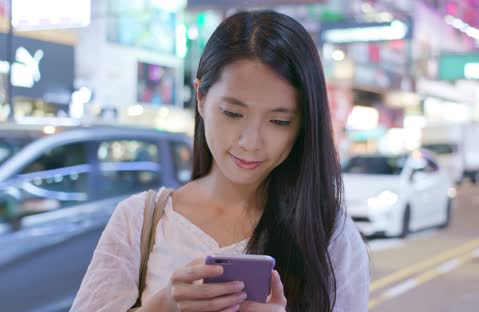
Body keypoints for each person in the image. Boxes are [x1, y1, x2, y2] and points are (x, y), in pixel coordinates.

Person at [71, 10, 369, 312]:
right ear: (200, 98)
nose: (250, 142)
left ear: (303, 125)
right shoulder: (139, 220)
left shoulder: (329, 232)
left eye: (279, 121)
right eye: (232, 113)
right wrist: (161, 306)